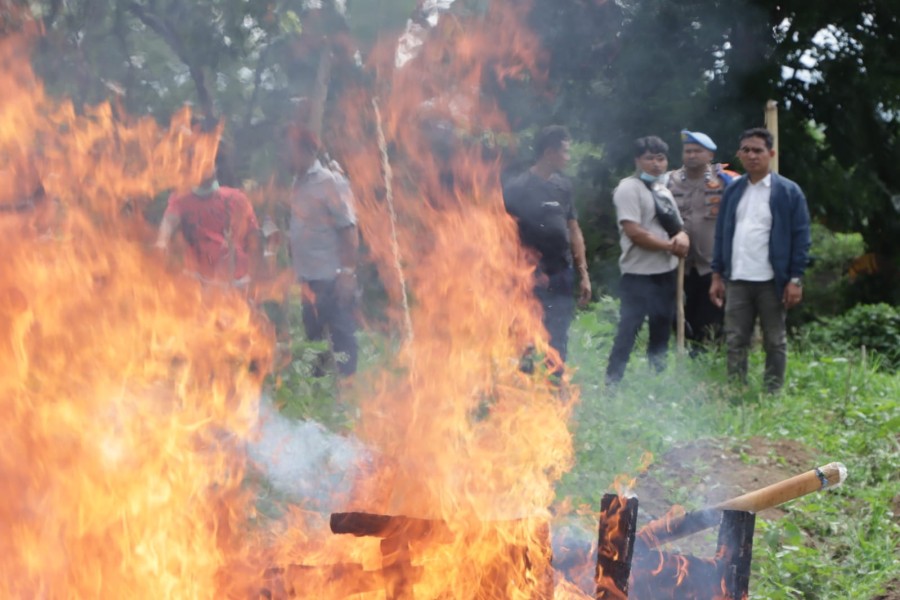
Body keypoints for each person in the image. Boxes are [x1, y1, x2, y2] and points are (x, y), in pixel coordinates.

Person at [710, 127, 811, 393]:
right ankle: (736, 390)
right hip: (738, 279)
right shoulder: (733, 192)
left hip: (772, 280)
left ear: (771, 153)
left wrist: (796, 279)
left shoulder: (789, 192)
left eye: (758, 150)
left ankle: (772, 392)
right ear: (739, 154)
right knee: (735, 339)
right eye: (746, 150)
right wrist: (717, 275)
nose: (752, 155)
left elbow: (801, 239)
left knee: (775, 341)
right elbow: (722, 235)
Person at [502, 125, 591, 372]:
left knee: (559, 334)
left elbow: (574, 229)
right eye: (565, 151)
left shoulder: (563, 186)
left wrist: (583, 273)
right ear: (550, 152)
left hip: (561, 272)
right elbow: (503, 233)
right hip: (529, 275)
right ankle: (523, 388)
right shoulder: (517, 187)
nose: (568, 157)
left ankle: (556, 387)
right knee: (526, 335)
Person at [605, 136, 690, 386]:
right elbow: (634, 232)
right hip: (638, 275)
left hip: (666, 272)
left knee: (661, 330)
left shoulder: (662, 191)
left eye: (660, 158)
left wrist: (682, 238)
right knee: (628, 331)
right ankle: (612, 383)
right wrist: (670, 246)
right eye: (649, 158)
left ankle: (657, 383)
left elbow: (678, 227)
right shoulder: (628, 189)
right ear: (637, 160)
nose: (656, 164)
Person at [285, 127, 360, 379]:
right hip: (308, 278)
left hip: (331, 277)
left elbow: (348, 230)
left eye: (290, 151)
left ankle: (347, 396)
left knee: (341, 338)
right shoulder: (297, 183)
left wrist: (347, 274)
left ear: (306, 152)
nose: (286, 157)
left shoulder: (331, 182)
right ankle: (319, 395)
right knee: (314, 340)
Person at [666, 130, 735, 354]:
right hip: (678, 265)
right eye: (688, 151)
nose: (692, 155)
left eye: (698, 151)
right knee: (677, 317)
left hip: (712, 266)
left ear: (710, 155)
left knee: (711, 321)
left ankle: (706, 366)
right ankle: (682, 365)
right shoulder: (668, 181)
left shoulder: (727, 181)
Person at [156, 145, 260, 289]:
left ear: (215, 166)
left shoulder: (237, 198)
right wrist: (161, 242)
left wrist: (253, 277)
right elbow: (169, 220)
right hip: (200, 285)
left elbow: (254, 238)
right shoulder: (182, 199)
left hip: (236, 285)